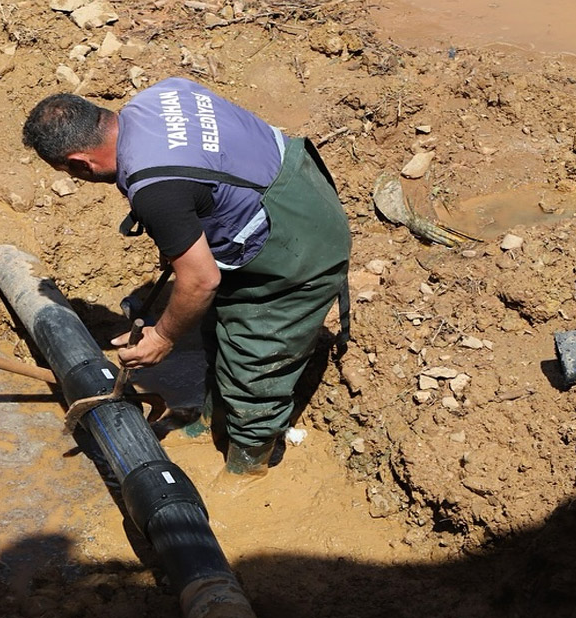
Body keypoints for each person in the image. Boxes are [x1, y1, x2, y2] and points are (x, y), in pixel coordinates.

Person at [22, 77, 351, 478]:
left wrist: (162, 337)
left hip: (299, 245)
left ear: (79, 162)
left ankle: (248, 466)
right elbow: (207, 174)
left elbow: (200, 281)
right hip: (293, 186)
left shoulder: (157, 188)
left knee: (256, 358)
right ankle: (212, 420)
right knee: (217, 328)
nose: (77, 179)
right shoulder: (159, 96)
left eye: (71, 173)